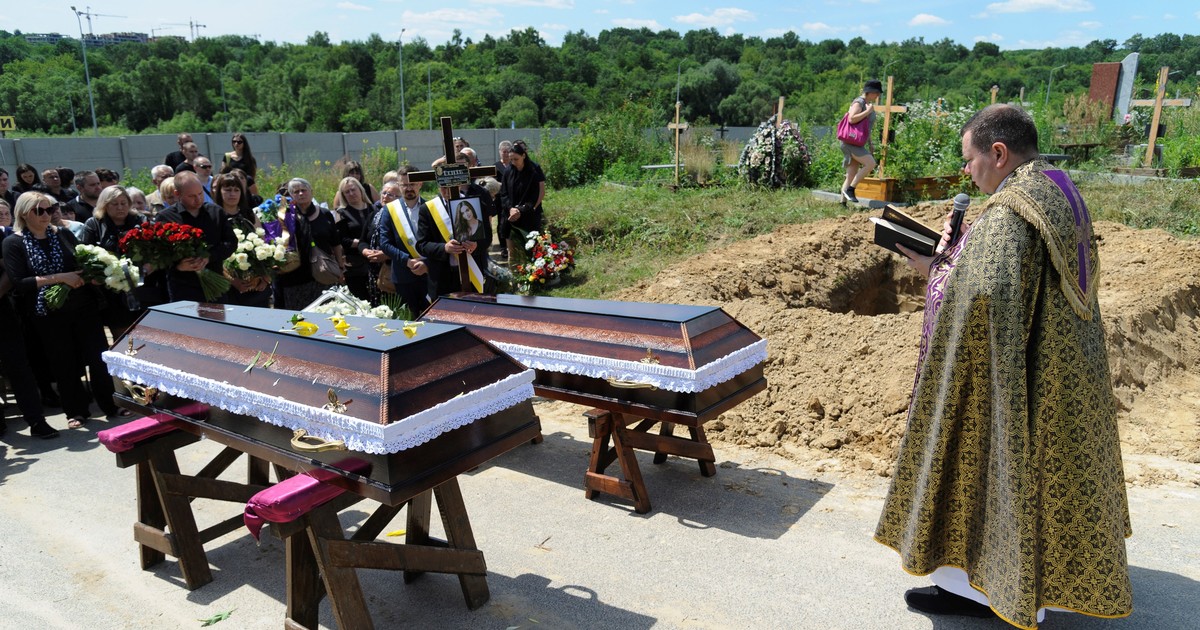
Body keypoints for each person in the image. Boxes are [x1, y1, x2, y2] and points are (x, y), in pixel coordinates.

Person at [876, 104, 1132, 628]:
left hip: (1015, 375)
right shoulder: (1058, 187)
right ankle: (1023, 585)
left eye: (969, 159)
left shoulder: (1010, 210)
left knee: (991, 466)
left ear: (998, 153)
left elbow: (984, 298)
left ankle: (983, 589)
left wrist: (935, 272)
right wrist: (958, 257)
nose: (966, 171)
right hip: (1062, 367)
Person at [3, 192, 123, 429]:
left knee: (98, 357)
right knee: (64, 362)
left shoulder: (63, 234)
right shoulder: (14, 243)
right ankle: (75, 411)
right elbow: (20, 282)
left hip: (83, 306)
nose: (46, 215)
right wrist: (61, 278)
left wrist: (93, 275)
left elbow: (82, 261)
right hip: (48, 312)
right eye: (39, 211)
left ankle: (110, 404)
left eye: (50, 209)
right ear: (24, 214)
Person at [154, 171, 236, 303]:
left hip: (215, 284)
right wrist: (178, 266)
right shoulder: (165, 218)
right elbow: (159, 254)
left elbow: (231, 242)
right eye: (191, 196)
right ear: (177, 194)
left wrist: (209, 256)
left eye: (200, 193)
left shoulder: (215, 212)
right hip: (183, 287)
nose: (198, 199)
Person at [81, 186, 145, 337]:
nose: (120, 208)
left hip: (141, 286)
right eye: (114, 204)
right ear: (104, 205)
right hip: (111, 290)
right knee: (122, 336)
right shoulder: (94, 224)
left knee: (146, 333)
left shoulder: (140, 220)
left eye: (123, 203)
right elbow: (85, 255)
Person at [275, 177, 342, 309]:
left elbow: (336, 243)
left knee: (326, 313)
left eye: (303, 190)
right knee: (299, 317)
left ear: (311, 192)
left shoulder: (325, 214)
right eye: (296, 191)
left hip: (323, 274)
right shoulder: (285, 216)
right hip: (295, 277)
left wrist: (340, 267)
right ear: (291, 195)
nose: (301, 194)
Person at [377, 166, 430, 315]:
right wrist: (407, 260)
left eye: (412, 184)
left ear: (420, 184)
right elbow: (385, 244)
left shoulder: (430, 207)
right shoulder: (390, 210)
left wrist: (427, 264)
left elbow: (438, 242)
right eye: (404, 185)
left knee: (433, 319)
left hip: (428, 274)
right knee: (409, 320)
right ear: (399, 186)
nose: (408, 188)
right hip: (403, 276)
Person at [213, 173, 271, 308]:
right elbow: (215, 254)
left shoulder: (249, 215)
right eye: (227, 190)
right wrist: (234, 281)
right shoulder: (214, 217)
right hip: (229, 286)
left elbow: (263, 245)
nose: (232, 194)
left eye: (236, 190)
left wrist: (265, 277)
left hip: (256, 284)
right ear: (219, 192)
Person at [333, 176, 379, 301]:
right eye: (347, 192)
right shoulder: (342, 213)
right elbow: (342, 240)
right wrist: (363, 245)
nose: (351, 193)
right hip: (355, 266)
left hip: (376, 262)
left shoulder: (375, 209)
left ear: (360, 190)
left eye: (353, 190)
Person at [501, 140, 545, 261]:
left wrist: (520, 210)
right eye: (511, 159)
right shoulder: (508, 171)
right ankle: (513, 272)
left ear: (523, 156)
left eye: (516, 159)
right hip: (511, 216)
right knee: (512, 252)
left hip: (528, 215)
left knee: (531, 251)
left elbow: (535, 195)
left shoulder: (533, 171)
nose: (513, 162)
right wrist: (511, 209)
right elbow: (504, 193)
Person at [839, 79, 882, 204]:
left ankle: (842, 203)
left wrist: (870, 143)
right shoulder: (859, 102)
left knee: (851, 174)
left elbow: (865, 127)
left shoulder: (866, 103)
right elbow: (852, 119)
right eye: (877, 93)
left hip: (856, 142)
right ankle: (851, 190)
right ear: (870, 92)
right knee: (871, 163)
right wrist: (868, 111)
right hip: (850, 143)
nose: (878, 95)